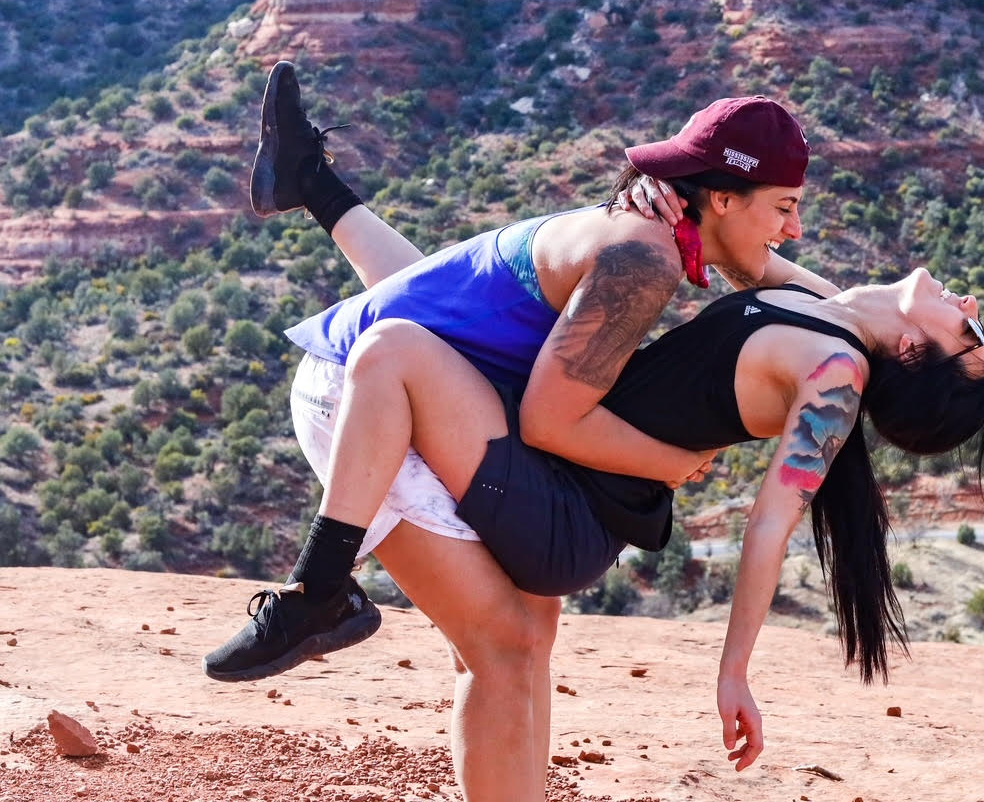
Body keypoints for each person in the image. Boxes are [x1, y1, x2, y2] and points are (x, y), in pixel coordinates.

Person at [205, 62, 832, 802]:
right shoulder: (642, 258)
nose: (796, 229)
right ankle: (318, 589)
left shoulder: (665, 231)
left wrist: (867, 311)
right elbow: (548, 420)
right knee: (503, 646)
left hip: (436, 381)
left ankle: (310, 179)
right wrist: (671, 461)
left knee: (530, 635)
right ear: (720, 198)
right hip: (364, 396)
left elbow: (778, 280)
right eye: (785, 207)